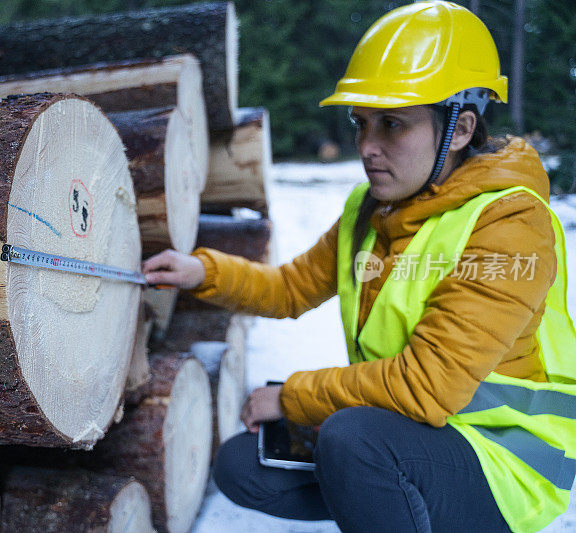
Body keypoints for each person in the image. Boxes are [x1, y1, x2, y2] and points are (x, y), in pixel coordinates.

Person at [142, 2, 576, 532]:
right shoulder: (371, 209)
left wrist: (292, 397)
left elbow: (428, 386)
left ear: (460, 130)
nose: (367, 148)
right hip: (405, 430)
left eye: (392, 124)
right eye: (361, 123)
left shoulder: (509, 222)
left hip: (504, 459)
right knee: (242, 467)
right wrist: (202, 272)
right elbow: (289, 288)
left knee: (352, 442)